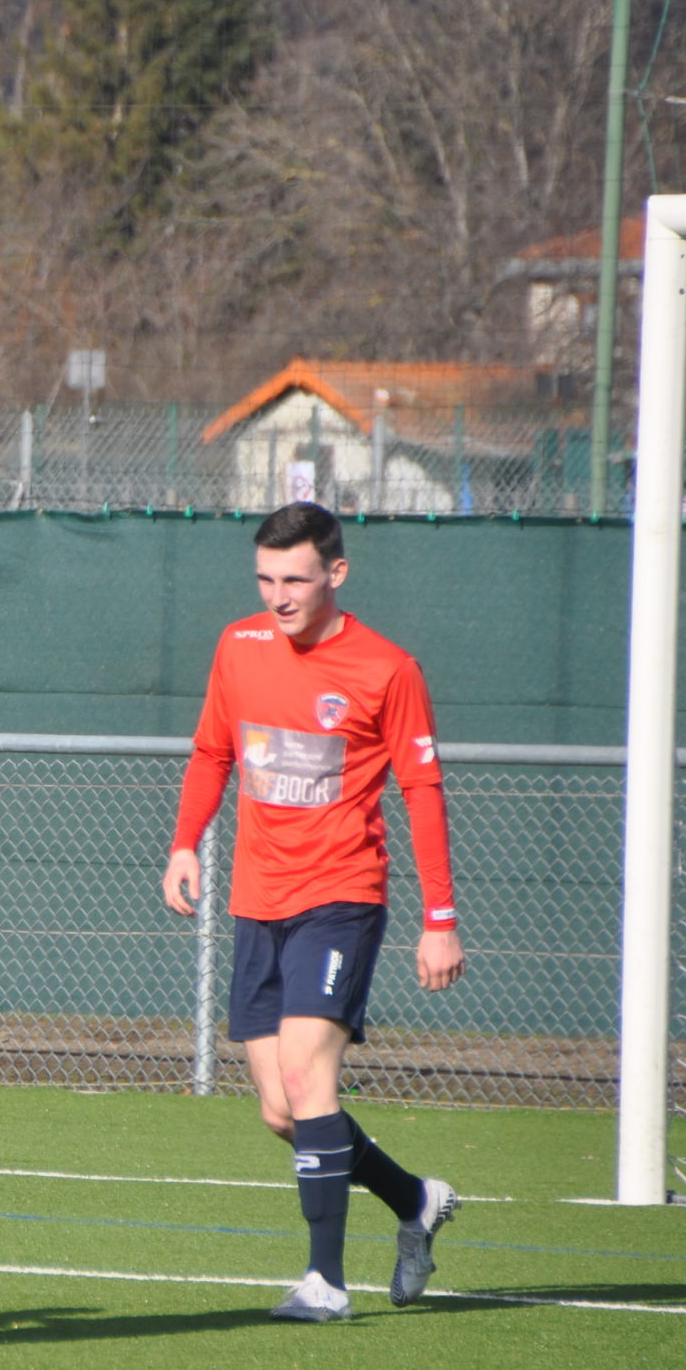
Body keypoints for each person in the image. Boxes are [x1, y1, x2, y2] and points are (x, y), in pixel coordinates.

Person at [162, 502, 463, 1321]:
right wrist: (185, 842)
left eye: (294, 579)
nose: (278, 595)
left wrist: (441, 918)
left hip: (341, 895)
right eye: (265, 578)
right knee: (280, 1109)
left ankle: (326, 1281)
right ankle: (414, 1200)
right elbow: (213, 751)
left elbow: (422, 790)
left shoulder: (387, 669)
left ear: (336, 573)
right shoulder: (239, 645)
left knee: (307, 1073)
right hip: (258, 901)